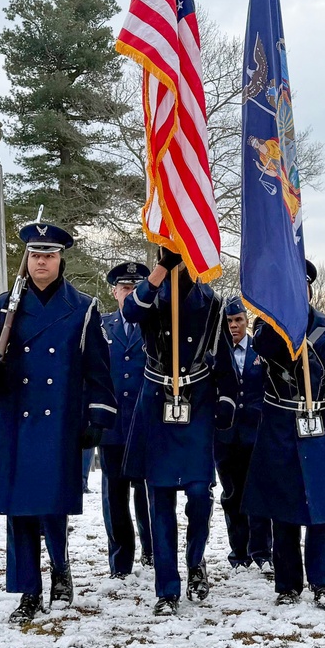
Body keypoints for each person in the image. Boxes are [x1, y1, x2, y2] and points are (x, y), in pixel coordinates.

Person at [0, 221, 116, 624]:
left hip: (60, 420)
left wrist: (97, 417)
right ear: (27, 259)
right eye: (35, 255)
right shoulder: (7, 304)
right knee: (20, 510)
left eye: (49, 255)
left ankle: (61, 568)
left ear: (60, 260)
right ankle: (28, 591)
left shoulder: (83, 306)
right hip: (18, 417)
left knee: (52, 506)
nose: (41, 262)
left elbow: (97, 370)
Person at [122, 248, 237, 617]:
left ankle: (196, 560)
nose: (182, 257)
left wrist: (227, 400)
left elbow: (222, 358)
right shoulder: (151, 294)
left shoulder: (213, 302)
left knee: (200, 494)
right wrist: (160, 270)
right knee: (160, 498)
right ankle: (167, 588)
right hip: (157, 401)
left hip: (197, 401)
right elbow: (130, 312)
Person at [242, 261, 325, 609]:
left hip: (320, 425)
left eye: (302, 287)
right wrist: (284, 323)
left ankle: (321, 581)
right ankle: (287, 584)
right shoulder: (267, 329)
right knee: (284, 510)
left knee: (322, 509)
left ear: (310, 289)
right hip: (280, 425)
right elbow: (265, 351)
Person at [98, 261, 155, 578]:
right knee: (115, 496)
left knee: (150, 493)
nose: (130, 293)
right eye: (125, 288)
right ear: (115, 292)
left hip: (147, 424)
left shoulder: (158, 326)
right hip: (113, 426)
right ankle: (120, 560)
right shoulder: (101, 327)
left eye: (136, 288)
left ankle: (152, 549)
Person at [214, 297, 273, 575]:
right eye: (229, 321)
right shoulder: (215, 352)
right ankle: (238, 552)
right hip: (225, 436)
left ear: (246, 321)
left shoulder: (260, 350)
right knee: (232, 495)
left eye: (238, 320)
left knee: (259, 493)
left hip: (256, 433)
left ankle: (262, 551)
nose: (234, 325)